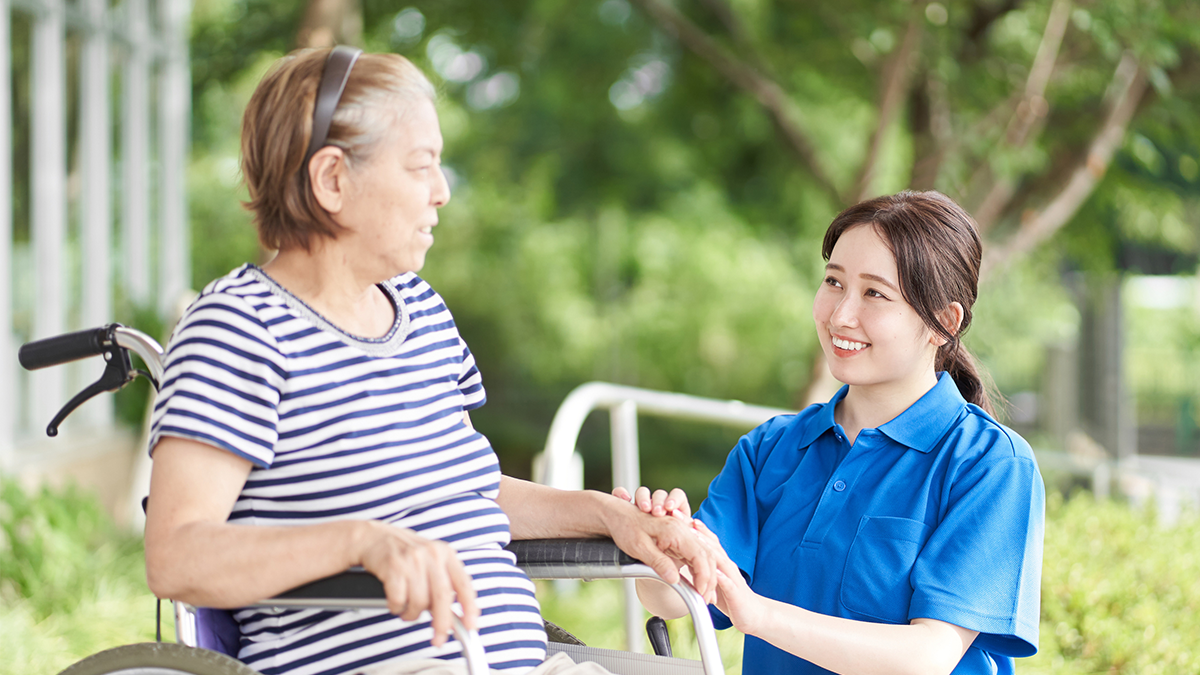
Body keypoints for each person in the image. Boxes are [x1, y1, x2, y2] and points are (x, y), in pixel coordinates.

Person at [142, 46, 716, 675]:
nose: (442, 192)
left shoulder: (419, 310)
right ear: (333, 179)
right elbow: (176, 556)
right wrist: (359, 543)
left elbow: (466, 494)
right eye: (422, 166)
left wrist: (609, 515)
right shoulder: (239, 327)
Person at [619, 191, 1045, 675]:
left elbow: (927, 656)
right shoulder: (770, 449)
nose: (841, 315)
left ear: (943, 323)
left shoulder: (990, 465)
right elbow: (671, 599)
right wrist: (658, 542)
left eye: (875, 293)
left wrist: (757, 614)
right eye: (834, 282)